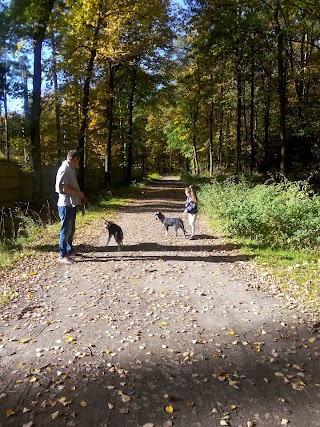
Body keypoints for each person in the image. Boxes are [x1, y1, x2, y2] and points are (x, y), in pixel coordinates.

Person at [55, 150, 87, 264]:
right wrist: (79, 193)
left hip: (71, 204)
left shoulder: (70, 169)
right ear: (74, 159)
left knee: (71, 229)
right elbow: (64, 189)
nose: (78, 164)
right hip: (65, 205)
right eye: (78, 161)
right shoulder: (64, 170)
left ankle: (69, 251)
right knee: (65, 230)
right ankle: (63, 255)